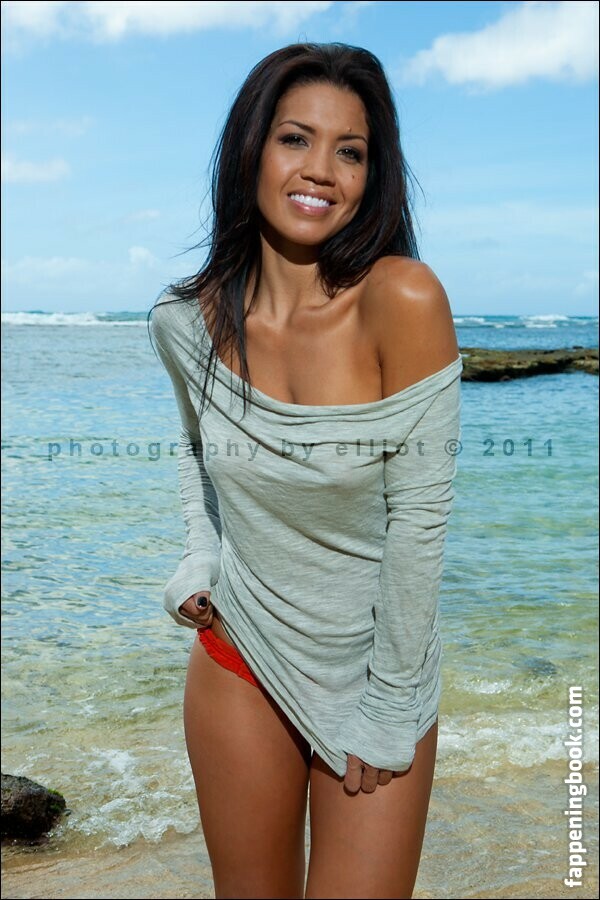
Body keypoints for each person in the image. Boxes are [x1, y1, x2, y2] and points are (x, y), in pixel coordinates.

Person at [149, 42, 462, 900]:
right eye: (296, 138)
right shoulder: (184, 320)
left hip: (376, 675)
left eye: (349, 151)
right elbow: (198, 453)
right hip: (239, 656)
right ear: (252, 150)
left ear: (372, 174)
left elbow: (420, 526)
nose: (321, 169)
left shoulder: (404, 300)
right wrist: (198, 560)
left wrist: (391, 705)